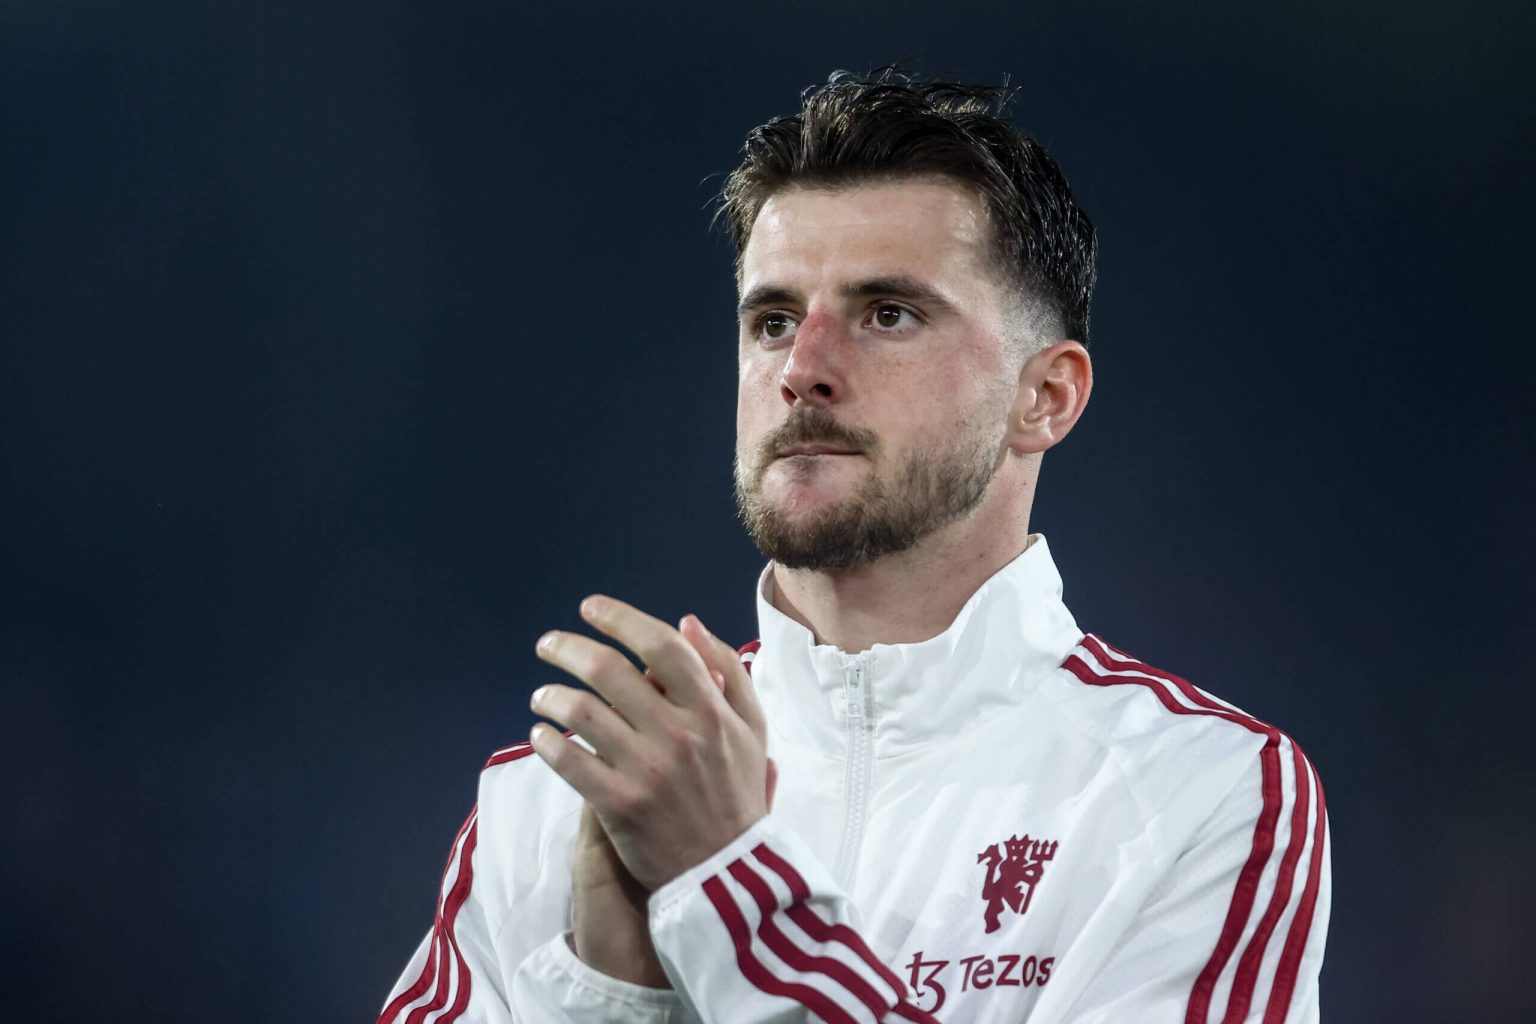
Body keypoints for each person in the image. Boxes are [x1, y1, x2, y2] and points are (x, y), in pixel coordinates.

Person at [378, 69, 1330, 1024]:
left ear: (1045, 397)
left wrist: (727, 883)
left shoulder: (1200, 795)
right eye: (774, 321)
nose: (803, 370)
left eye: (888, 314)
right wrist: (615, 997)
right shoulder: (549, 801)